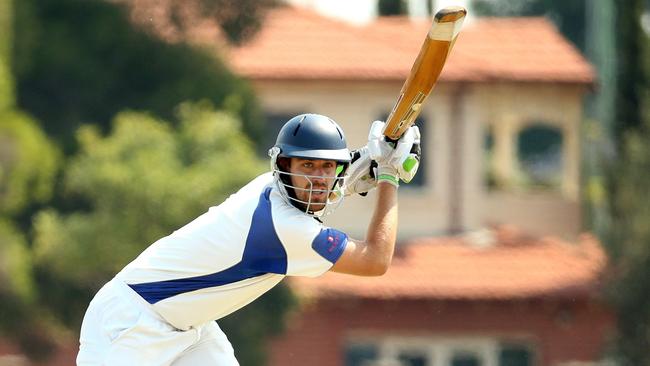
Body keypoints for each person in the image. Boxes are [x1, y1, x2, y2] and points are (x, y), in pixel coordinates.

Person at [76, 113, 421, 365]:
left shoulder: (267, 186)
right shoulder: (287, 230)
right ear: (284, 165)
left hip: (187, 328)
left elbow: (328, 185)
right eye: (307, 167)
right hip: (130, 323)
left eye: (327, 168)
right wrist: (389, 176)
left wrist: (371, 162)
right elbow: (376, 260)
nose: (318, 179)